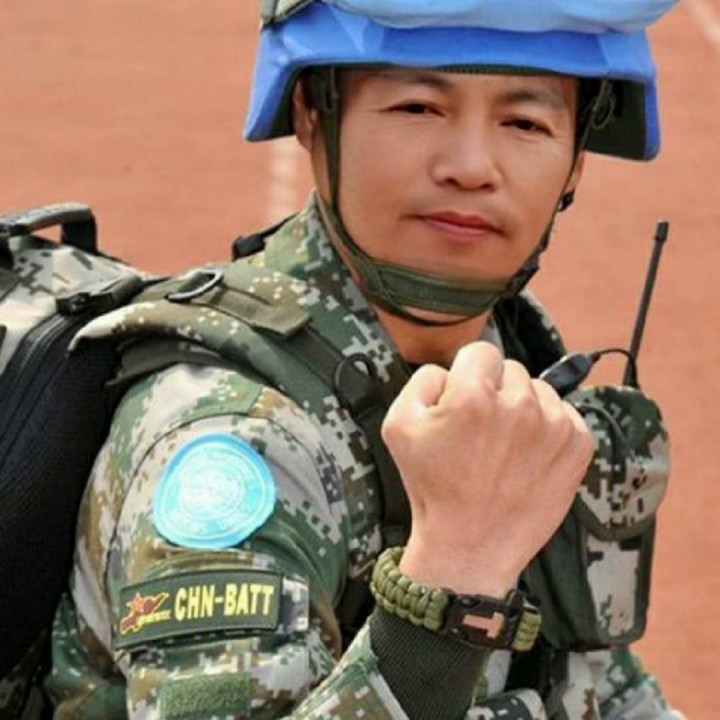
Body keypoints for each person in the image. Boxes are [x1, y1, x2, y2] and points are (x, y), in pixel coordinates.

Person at [44, 1, 684, 718]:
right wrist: (452, 579)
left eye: (525, 123)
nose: (472, 167)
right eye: (418, 107)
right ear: (312, 115)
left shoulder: (507, 362)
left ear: (577, 162)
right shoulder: (235, 435)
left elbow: (595, 685)